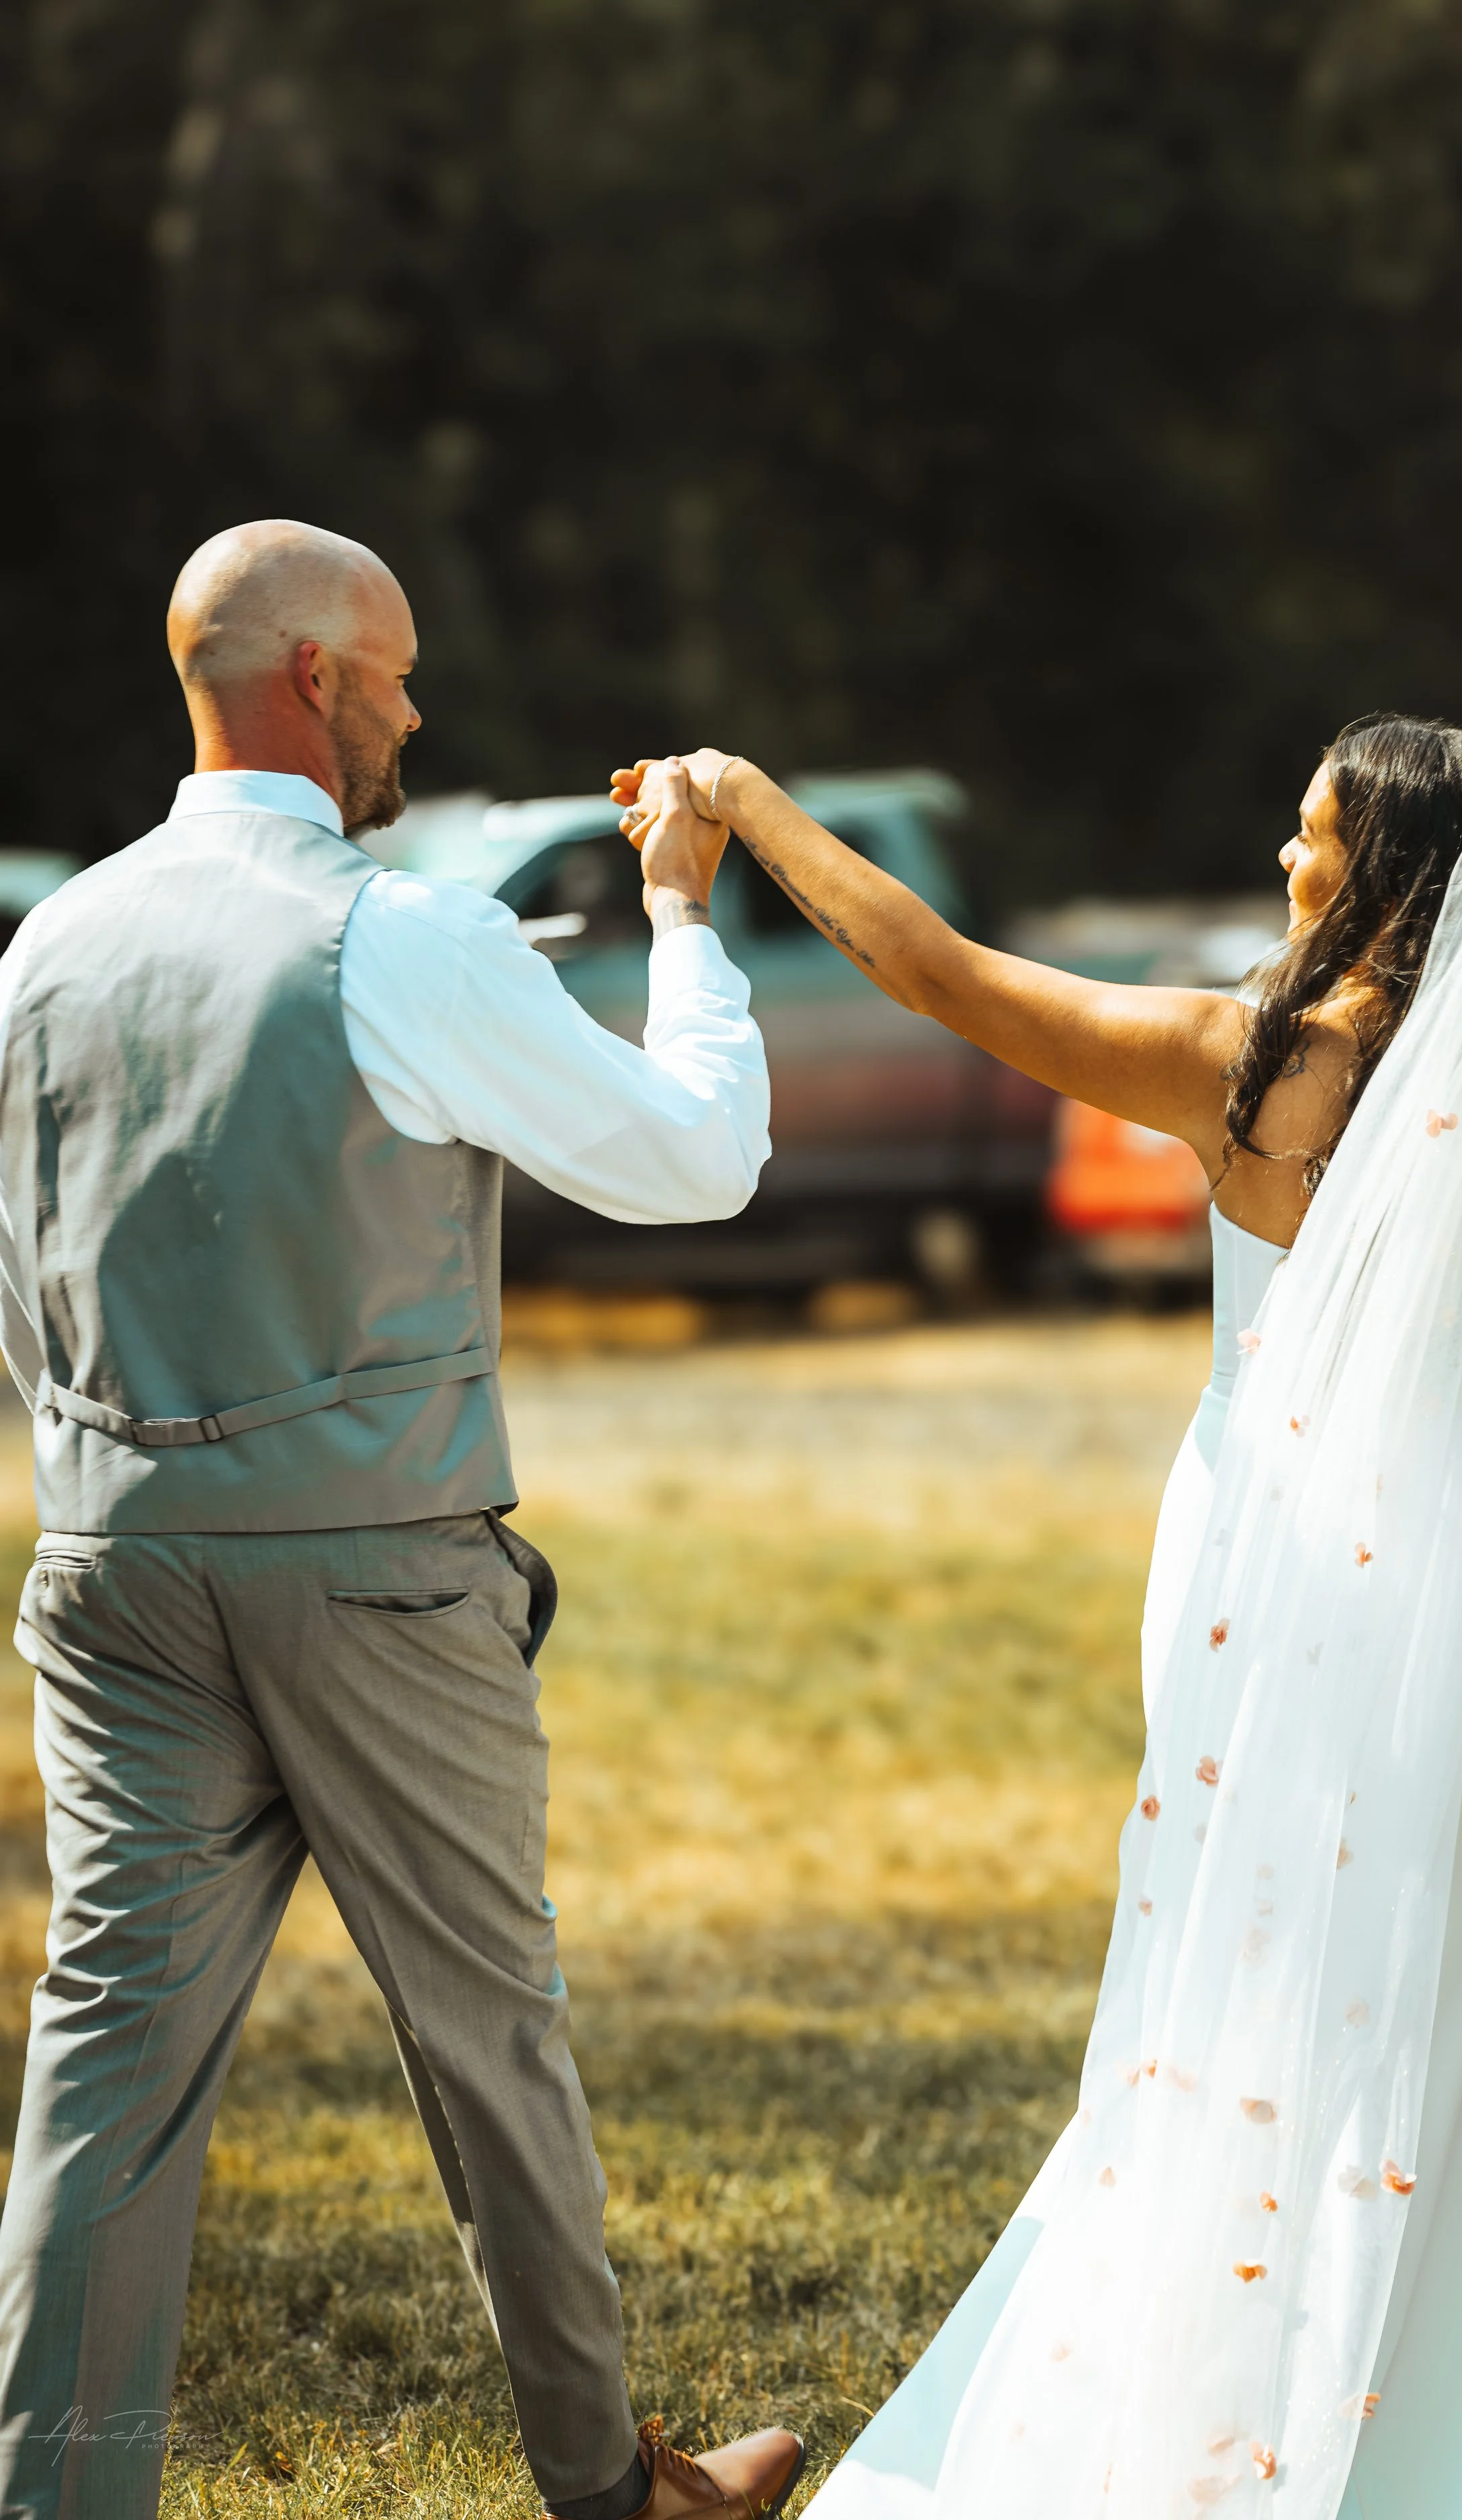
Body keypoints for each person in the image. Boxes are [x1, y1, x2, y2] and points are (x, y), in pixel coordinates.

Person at [615, 725, 1462, 2520]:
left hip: (1264, 1574)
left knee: (1247, 1979)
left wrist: (738, 800)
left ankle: (1242, 2400)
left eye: (1310, 834)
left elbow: (934, 972)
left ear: (1388, 881)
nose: (1281, 857)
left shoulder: (1235, 1064)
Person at [0, 521, 805, 2520]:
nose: (419, 709)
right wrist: (683, 916)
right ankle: (610, 2490)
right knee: (485, 2032)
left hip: (109, 1558)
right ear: (318, 682)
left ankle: (56, 2496)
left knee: (105, 2056)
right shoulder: (402, 932)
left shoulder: (48, 943)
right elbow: (693, 1162)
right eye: (402, 673)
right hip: (371, 1565)